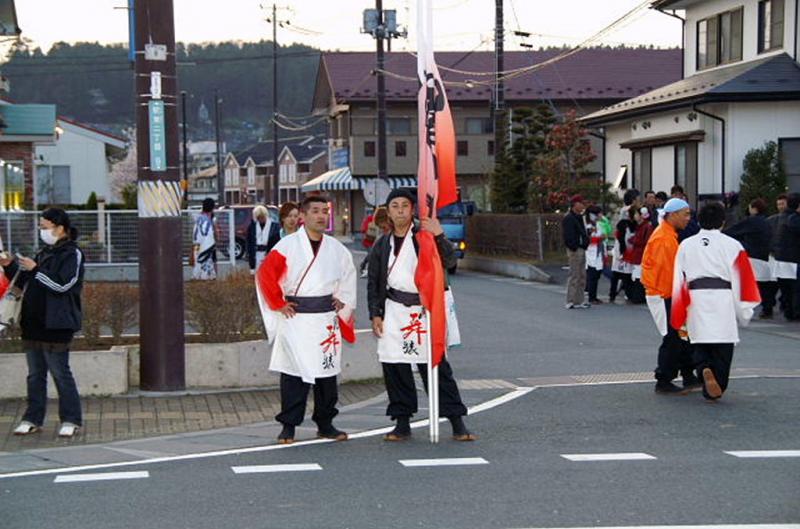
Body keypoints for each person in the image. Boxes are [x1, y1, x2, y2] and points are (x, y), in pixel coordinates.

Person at [367, 188, 475, 442]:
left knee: (435, 366)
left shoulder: (425, 236)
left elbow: (449, 261)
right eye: (395, 206)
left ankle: (456, 421)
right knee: (395, 366)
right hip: (394, 309)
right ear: (388, 211)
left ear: (413, 209)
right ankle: (402, 422)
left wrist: (438, 234)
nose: (400, 210)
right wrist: (376, 313)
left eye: (405, 205)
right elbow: (374, 282)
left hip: (424, 309)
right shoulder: (382, 243)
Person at [255, 196, 357, 444]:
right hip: (297, 319)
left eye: (325, 211)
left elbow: (348, 278)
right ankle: (288, 425)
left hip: (324, 319)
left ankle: (325, 422)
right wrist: (279, 303)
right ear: (303, 215)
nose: (321, 216)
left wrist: (342, 300)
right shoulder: (287, 246)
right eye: (315, 211)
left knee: (327, 374)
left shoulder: (337, 249)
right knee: (294, 374)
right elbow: (265, 275)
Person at [2, 208, 84, 437]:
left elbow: (63, 285)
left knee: (60, 372)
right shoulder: (44, 252)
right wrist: (11, 266)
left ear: (60, 228)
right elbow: (26, 280)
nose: (42, 231)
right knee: (35, 374)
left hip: (57, 324)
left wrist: (36, 269)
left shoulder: (72, 254)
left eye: (45, 227)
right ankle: (32, 418)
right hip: (33, 322)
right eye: (41, 227)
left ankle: (71, 419)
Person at [671, 202, 761, 400]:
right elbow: (743, 279)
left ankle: (703, 367)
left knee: (699, 341)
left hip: (695, 298)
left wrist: (680, 307)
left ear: (699, 220)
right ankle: (716, 382)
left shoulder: (686, 245)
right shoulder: (732, 245)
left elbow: (678, 279)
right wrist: (744, 311)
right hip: (722, 298)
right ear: (723, 221)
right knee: (722, 346)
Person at [641, 198, 699, 394]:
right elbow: (668, 274)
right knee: (674, 337)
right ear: (673, 215)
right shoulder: (665, 239)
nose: (688, 219)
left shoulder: (667, 235)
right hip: (664, 294)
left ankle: (686, 376)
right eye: (686, 214)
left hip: (668, 293)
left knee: (680, 336)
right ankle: (664, 379)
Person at [724, 199, 774, 318]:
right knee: (765, 284)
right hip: (765, 255)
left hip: (752, 254)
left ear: (754, 209)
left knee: (747, 283)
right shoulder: (767, 221)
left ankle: (745, 309)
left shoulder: (751, 221)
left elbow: (733, 231)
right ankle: (768, 308)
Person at [771, 193, 800, 320]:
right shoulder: (795, 219)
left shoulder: (778, 218)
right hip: (793, 258)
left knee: (786, 288)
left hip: (780, 258)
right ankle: (795, 313)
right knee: (795, 289)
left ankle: (789, 311)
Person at [562, 195, 590, 309]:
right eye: (580, 203)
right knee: (574, 274)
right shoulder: (569, 218)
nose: (582, 205)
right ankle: (570, 300)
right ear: (575, 205)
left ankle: (580, 300)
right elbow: (568, 235)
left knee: (582, 275)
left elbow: (583, 232)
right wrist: (573, 246)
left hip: (581, 248)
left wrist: (585, 244)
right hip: (575, 249)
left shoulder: (580, 217)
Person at [764, 194, 789, 318]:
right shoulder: (772, 220)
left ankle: (780, 305)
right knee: (774, 284)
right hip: (775, 256)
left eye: (782, 204)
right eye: (779, 204)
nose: (780, 206)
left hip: (782, 256)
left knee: (781, 284)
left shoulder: (773, 220)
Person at [628, 206, 654, 304]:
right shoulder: (643, 226)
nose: (635, 216)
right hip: (639, 254)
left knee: (638, 276)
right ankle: (638, 297)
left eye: (636, 214)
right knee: (638, 276)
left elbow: (645, 241)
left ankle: (638, 297)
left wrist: (633, 240)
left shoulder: (646, 227)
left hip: (641, 255)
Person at [247, 205, 281, 275]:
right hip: (256, 254)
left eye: (262, 217)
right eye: (258, 217)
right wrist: (251, 266)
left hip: (269, 253)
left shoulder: (275, 227)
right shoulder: (252, 227)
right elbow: (249, 244)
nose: (261, 219)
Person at [359, 206, 390, 278]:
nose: (383, 230)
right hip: (369, 242)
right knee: (372, 255)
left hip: (369, 242)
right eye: (381, 228)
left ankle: (364, 264)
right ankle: (364, 264)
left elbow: (363, 229)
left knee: (371, 254)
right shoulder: (383, 238)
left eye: (384, 228)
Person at [192, 198, 217, 280]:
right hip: (205, 248)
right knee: (205, 273)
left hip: (197, 246)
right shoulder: (207, 221)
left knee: (198, 268)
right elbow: (207, 236)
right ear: (212, 208)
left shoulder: (198, 219)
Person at [584, 205, 605, 304]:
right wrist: (600, 238)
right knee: (592, 275)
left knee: (597, 274)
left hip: (599, 252)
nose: (601, 215)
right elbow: (589, 239)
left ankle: (594, 296)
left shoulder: (598, 224)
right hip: (591, 252)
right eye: (599, 213)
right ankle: (591, 297)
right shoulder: (588, 226)